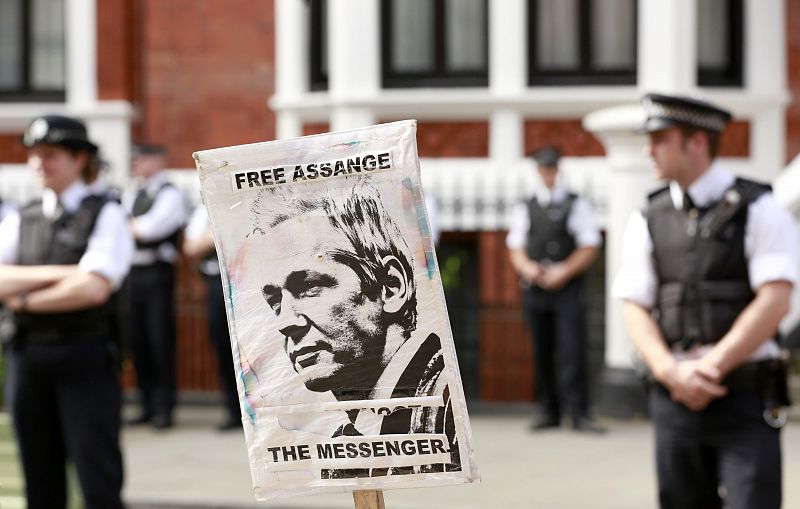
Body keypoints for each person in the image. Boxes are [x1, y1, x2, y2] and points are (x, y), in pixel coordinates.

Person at [613, 93, 798, 509]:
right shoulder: (648, 217)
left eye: (660, 138)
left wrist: (709, 368)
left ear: (697, 142)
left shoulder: (760, 209)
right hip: (674, 401)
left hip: (744, 397)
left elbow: (775, 301)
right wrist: (671, 372)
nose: (648, 150)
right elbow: (634, 305)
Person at [249, 181, 458, 475]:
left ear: (391, 287)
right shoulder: (350, 436)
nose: (285, 323)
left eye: (309, 287)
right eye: (275, 303)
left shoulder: (445, 406)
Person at [0, 114, 132, 509]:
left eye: (51, 154)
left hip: (83, 354)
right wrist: (66, 272)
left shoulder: (105, 212)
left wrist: (24, 299)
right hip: (28, 355)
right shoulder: (22, 215)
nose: (39, 163)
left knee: (97, 477)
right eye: (35, 155)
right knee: (39, 478)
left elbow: (93, 288)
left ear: (79, 159)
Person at [506, 145, 604, 433]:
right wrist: (528, 268)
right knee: (542, 350)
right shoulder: (526, 206)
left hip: (567, 289)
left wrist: (564, 271)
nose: (547, 174)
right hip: (536, 288)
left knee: (573, 350)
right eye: (543, 169)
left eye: (551, 168)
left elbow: (589, 245)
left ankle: (579, 412)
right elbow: (515, 247)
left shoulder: (575, 203)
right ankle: (549, 410)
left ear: (557, 170)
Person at [122, 143, 187, 429]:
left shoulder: (170, 193)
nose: (135, 165)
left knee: (159, 339)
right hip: (132, 273)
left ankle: (164, 408)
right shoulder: (132, 192)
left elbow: (151, 229)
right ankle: (146, 404)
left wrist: (126, 229)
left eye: (140, 159)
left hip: (156, 273)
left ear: (157, 161)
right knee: (136, 340)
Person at [182, 202, 241, 431]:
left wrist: (209, 238)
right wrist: (217, 231)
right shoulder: (205, 208)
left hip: (244, 278)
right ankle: (234, 411)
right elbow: (190, 247)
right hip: (216, 282)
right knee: (223, 347)